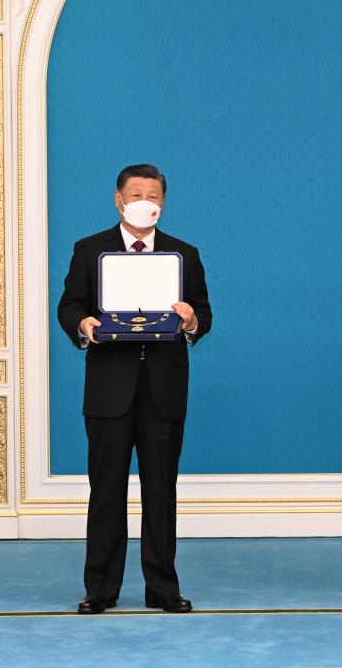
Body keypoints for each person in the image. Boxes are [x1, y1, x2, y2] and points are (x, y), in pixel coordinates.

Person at [58, 164, 211, 614]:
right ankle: (100, 589)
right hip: (109, 390)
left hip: (164, 390)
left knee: (161, 492)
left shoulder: (185, 254)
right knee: (106, 492)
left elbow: (204, 314)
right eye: (137, 193)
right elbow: (69, 304)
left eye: (154, 195)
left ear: (163, 203)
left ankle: (163, 588)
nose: (146, 201)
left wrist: (191, 320)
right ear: (119, 199)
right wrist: (83, 324)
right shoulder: (89, 249)